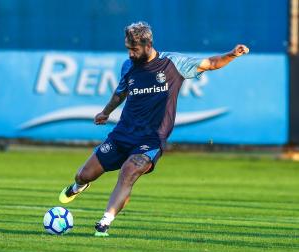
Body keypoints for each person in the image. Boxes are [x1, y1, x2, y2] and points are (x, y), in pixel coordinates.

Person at [59, 21, 249, 237]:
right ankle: (77, 187)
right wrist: (106, 112)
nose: (130, 53)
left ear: (148, 45)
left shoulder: (174, 63)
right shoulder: (128, 66)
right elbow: (120, 92)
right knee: (84, 175)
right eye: (128, 48)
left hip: (151, 138)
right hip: (122, 134)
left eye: (134, 49)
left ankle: (105, 221)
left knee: (128, 172)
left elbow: (212, 63)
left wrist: (232, 54)